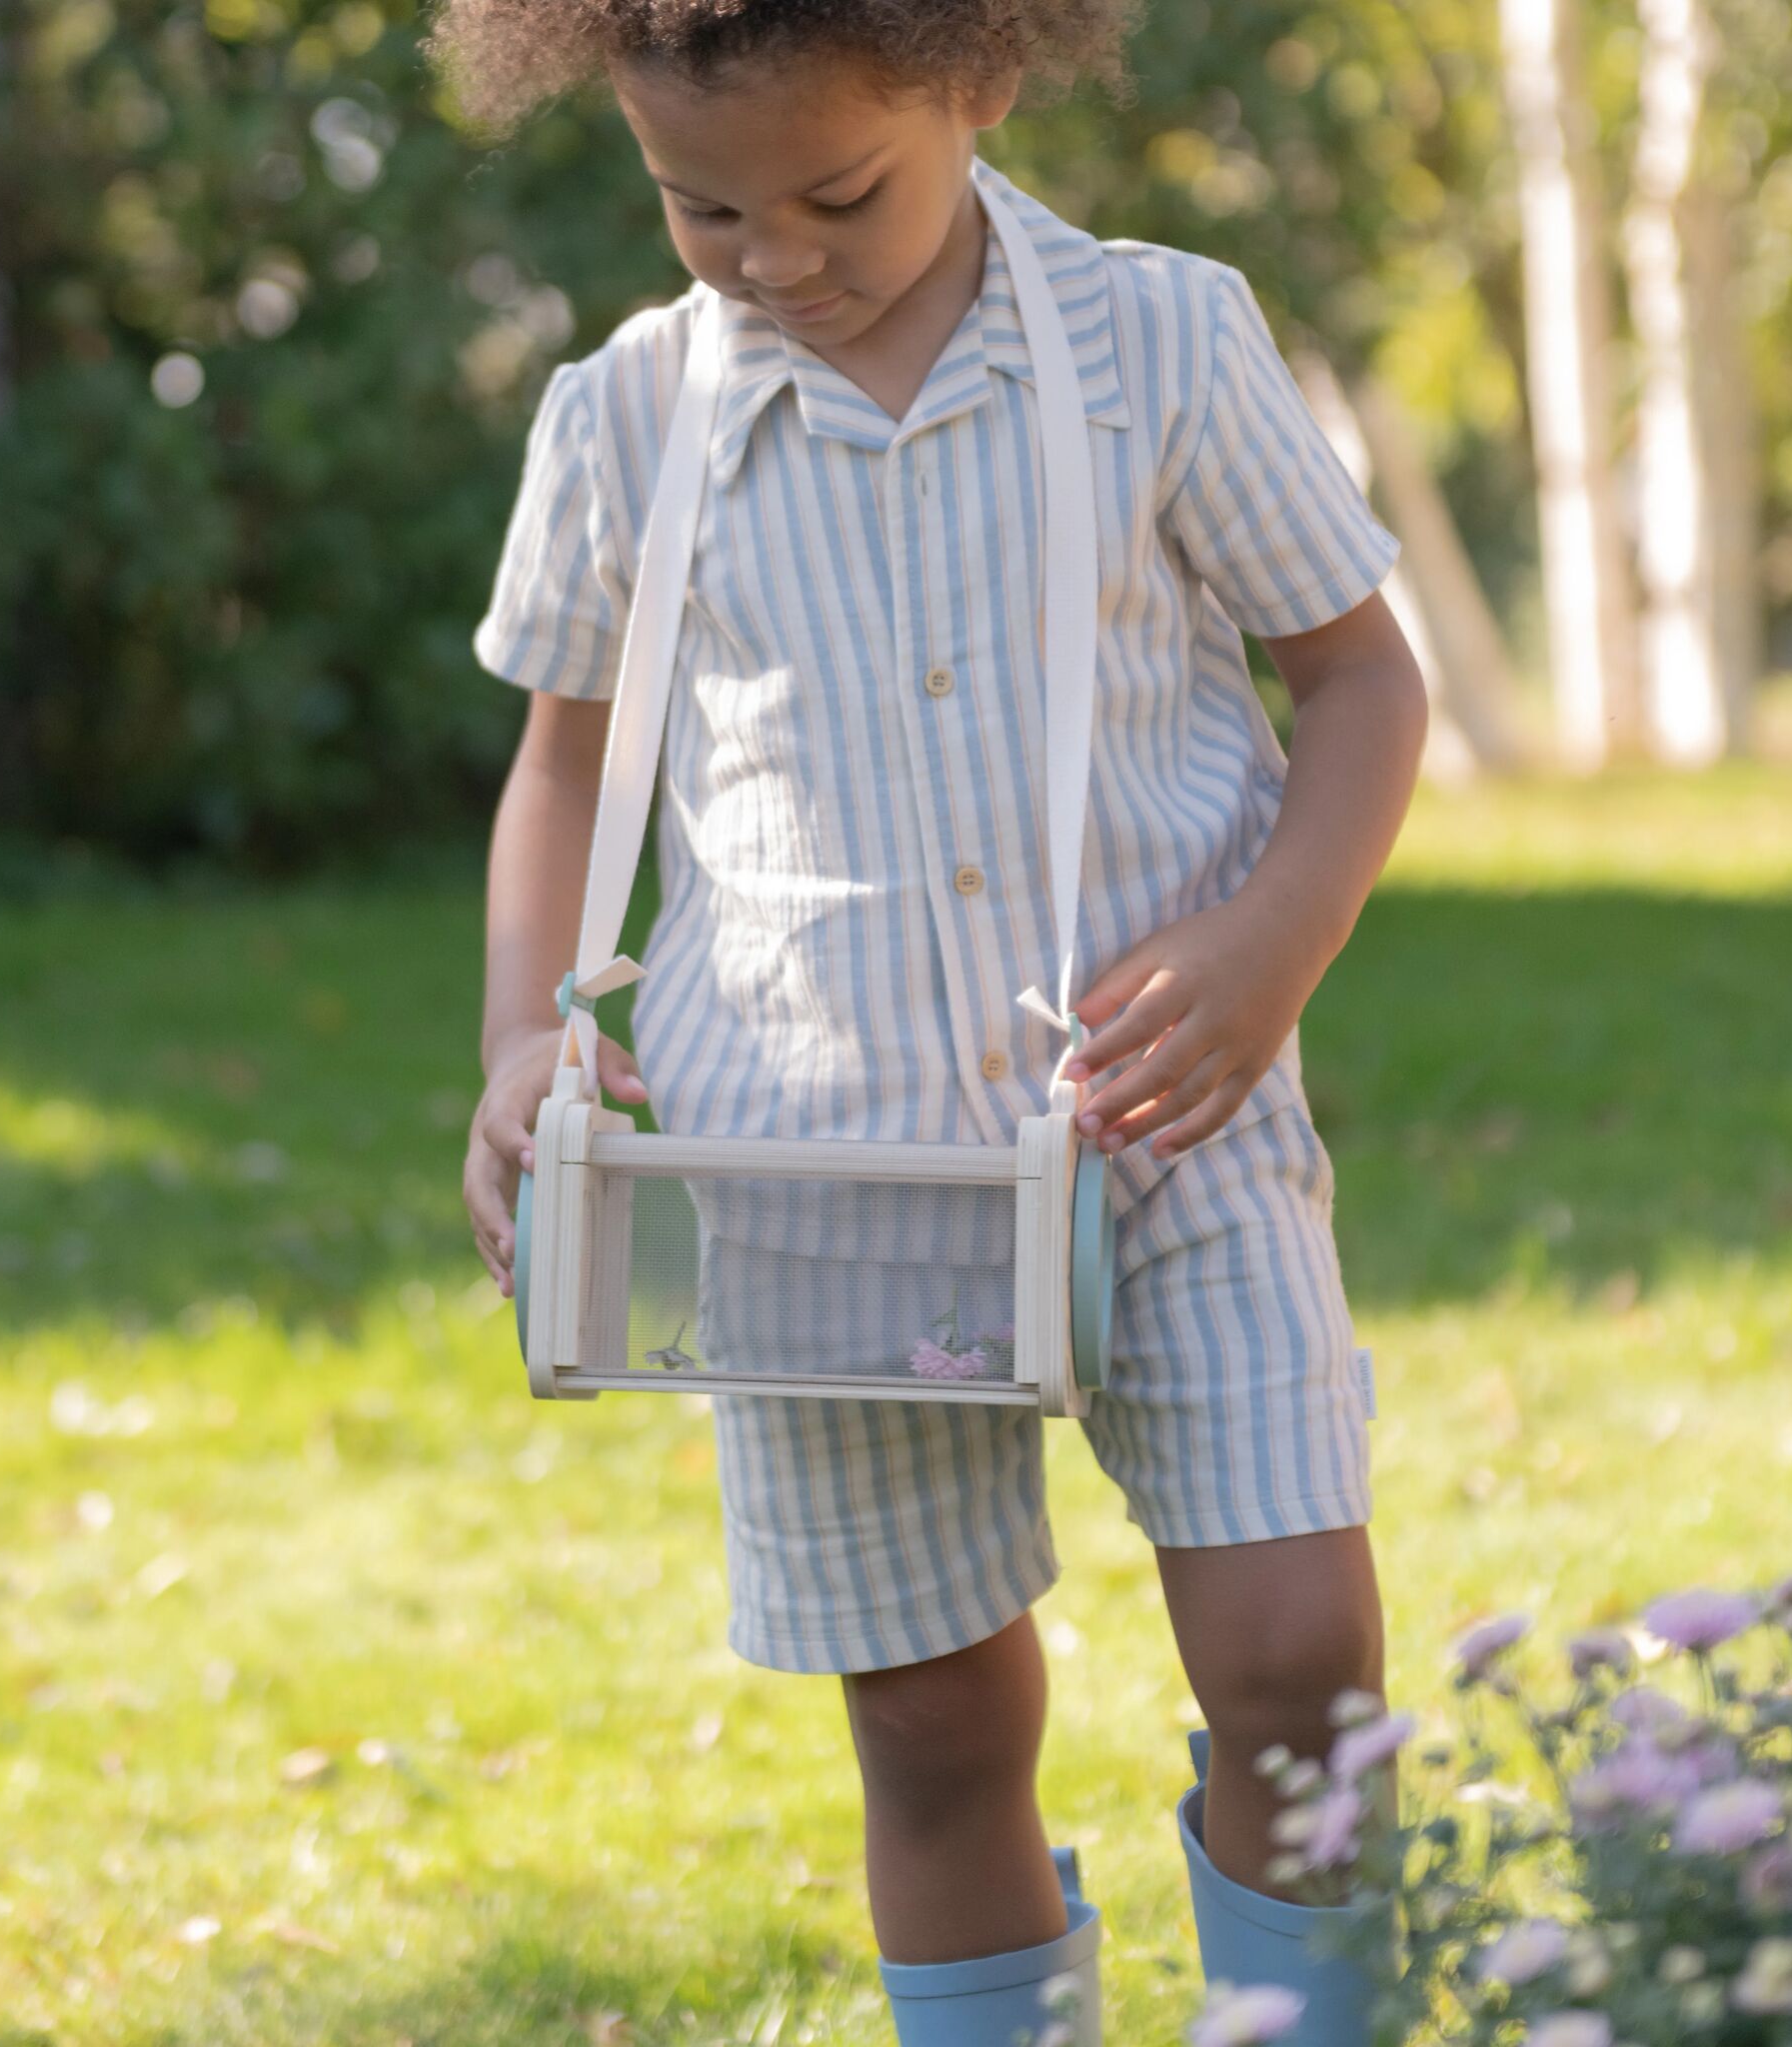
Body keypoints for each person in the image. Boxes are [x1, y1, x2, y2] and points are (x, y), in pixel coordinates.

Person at [438, 4, 1428, 2040]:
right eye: (701, 203)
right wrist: (522, 1044)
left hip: (1171, 1115)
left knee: (1299, 1662)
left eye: (837, 193)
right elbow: (563, 766)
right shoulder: (625, 413)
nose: (774, 257)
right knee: (935, 1712)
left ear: (974, 85)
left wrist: (1271, 945)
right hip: (817, 1160)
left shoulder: (1160, 342)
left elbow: (1361, 679)